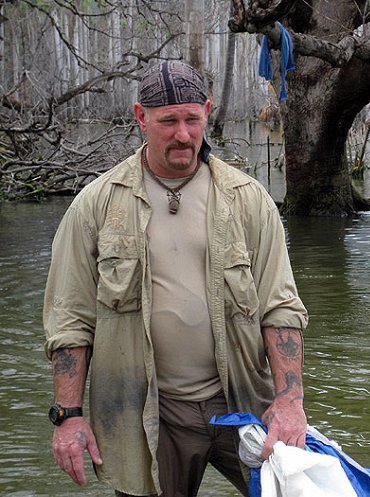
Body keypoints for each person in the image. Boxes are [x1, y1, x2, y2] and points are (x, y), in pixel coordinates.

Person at [43, 60, 309, 497]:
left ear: (207, 111)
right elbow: (69, 318)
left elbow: (280, 307)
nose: (183, 135)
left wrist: (291, 401)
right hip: (150, 411)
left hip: (243, 401)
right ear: (140, 117)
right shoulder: (95, 206)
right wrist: (68, 415)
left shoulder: (249, 200)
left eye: (192, 120)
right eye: (168, 121)